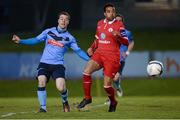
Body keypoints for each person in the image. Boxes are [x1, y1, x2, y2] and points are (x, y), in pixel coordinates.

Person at [12, 11, 89, 113]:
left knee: (61, 87)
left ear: (68, 22)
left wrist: (90, 60)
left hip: (58, 65)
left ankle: (65, 101)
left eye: (66, 19)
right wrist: (21, 41)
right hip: (44, 63)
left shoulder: (70, 38)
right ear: (58, 20)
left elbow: (78, 51)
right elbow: (35, 40)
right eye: (61, 18)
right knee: (41, 81)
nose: (63, 21)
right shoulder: (48, 31)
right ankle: (43, 108)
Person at [77, 3, 129, 112]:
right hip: (99, 53)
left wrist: (119, 36)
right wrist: (91, 48)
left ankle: (113, 101)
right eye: (109, 11)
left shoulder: (119, 25)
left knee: (106, 86)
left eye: (113, 11)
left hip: (112, 57)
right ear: (105, 13)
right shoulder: (100, 23)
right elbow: (97, 39)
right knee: (86, 72)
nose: (112, 13)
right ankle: (87, 98)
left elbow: (126, 42)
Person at [113, 14, 134, 97]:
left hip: (120, 58)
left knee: (115, 78)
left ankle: (117, 86)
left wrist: (127, 52)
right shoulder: (111, 32)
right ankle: (110, 98)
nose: (118, 22)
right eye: (116, 20)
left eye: (119, 20)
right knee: (107, 79)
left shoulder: (127, 33)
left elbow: (131, 42)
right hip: (110, 57)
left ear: (122, 22)